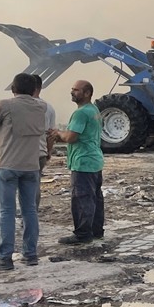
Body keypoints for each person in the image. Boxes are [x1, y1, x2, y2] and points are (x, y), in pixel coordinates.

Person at [0, 72, 47, 269]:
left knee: (7, 212)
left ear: (13, 88)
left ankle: (5, 257)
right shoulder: (41, 106)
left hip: (7, 166)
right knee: (30, 211)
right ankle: (30, 254)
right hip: (31, 166)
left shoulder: (5, 105)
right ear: (34, 89)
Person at [0, 74, 57, 230]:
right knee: (32, 194)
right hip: (37, 155)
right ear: (38, 88)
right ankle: (29, 224)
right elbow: (51, 134)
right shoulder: (46, 107)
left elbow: (2, 131)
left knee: (5, 199)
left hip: (12, 157)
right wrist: (49, 151)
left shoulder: (7, 105)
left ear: (14, 89)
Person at [52, 79, 104, 245]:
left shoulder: (81, 113)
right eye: (72, 89)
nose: (72, 92)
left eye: (76, 90)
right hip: (94, 160)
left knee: (82, 199)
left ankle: (82, 234)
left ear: (87, 93)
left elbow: (71, 137)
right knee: (95, 198)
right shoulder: (94, 109)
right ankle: (96, 231)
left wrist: (58, 134)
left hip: (83, 162)